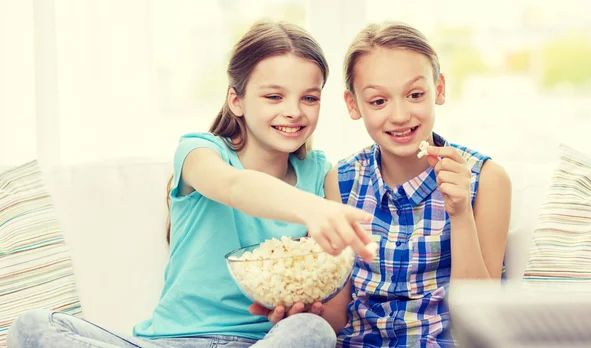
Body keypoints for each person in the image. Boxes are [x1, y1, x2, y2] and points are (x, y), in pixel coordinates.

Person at [7, 21, 375, 348]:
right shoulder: (200, 152)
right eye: (274, 96)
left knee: (313, 331)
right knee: (32, 326)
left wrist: (302, 310)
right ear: (237, 100)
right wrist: (312, 208)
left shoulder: (321, 172)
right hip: (167, 341)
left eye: (309, 98)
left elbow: (336, 320)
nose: (294, 111)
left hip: (262, 341)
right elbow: (235, 187)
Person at [257, 22, 512, 347]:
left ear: (440, 89)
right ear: (353, 105)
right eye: (378, 101)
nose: (400, 115)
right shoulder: (342, 182)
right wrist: (300, 312)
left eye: (416, 95)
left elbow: (480, 324)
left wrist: (460, 213)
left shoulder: (486, 180)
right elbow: (337, 318)